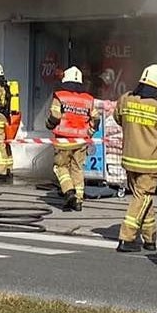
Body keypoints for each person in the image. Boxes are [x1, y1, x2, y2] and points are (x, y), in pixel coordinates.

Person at [115, 64, 157, 253]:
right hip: (149, 160)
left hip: (129, 157)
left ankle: (150, 238)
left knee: (142, 197)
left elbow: (118, 118)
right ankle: (126, 237)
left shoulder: (125, 98)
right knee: (142, 197)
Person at [48, 66, 100, 212]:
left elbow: (55, 116)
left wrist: (49, 124)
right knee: (77, 168)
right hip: (81, 140)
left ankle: (69, 192)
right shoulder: (88, 99)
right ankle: (78, 200)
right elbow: (96, 118)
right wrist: (89, 132)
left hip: (63, 139)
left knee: (60, 167)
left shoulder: (60, 95)